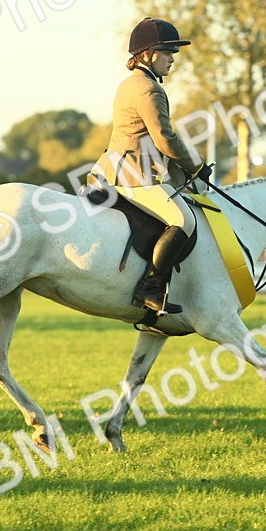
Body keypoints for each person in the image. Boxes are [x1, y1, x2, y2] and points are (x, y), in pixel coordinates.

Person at [90, 17, 211, 315]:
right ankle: (152, 288)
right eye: (166, 52)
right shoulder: (149, 89)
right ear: (146, 55)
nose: (172, 60)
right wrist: (197, 165)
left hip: (110, 168)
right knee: (185, 221)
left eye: (173, 53)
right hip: (131, 176)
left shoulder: (129, 84)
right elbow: (165, 139)